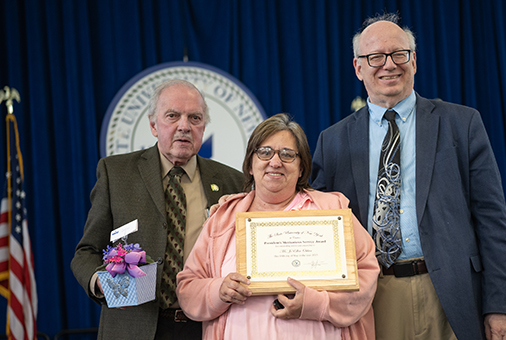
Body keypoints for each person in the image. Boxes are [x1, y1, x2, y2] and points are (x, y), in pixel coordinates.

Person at [311, 13, 506, 340]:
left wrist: (502, 304)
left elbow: (493, 219)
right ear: (358, 68)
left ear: (414, 60)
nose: (389, 65)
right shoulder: (333, 141)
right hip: (373, 297)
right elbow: (317, 224)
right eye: (375, 57)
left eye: (399, 54)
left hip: (451, 294)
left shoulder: (462, 124)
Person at [176, 113, 380, 340]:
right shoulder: (223, 218)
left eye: (287, 154)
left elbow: (366, 275)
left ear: (302, 168)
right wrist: (219, 290)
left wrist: (317, 304)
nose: (275, 162)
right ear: (250, 165)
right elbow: (188, 287)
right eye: (264, 152)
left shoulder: (332, 211)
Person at [71, 79, 245, 340]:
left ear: (204, 127)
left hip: (206, 327)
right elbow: (86, 252)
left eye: (195, 118)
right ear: (153, 124)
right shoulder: (116, 173)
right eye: (173, 116)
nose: (184, 126)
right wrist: (100, 283)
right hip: (133, 326)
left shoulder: (232, 182)